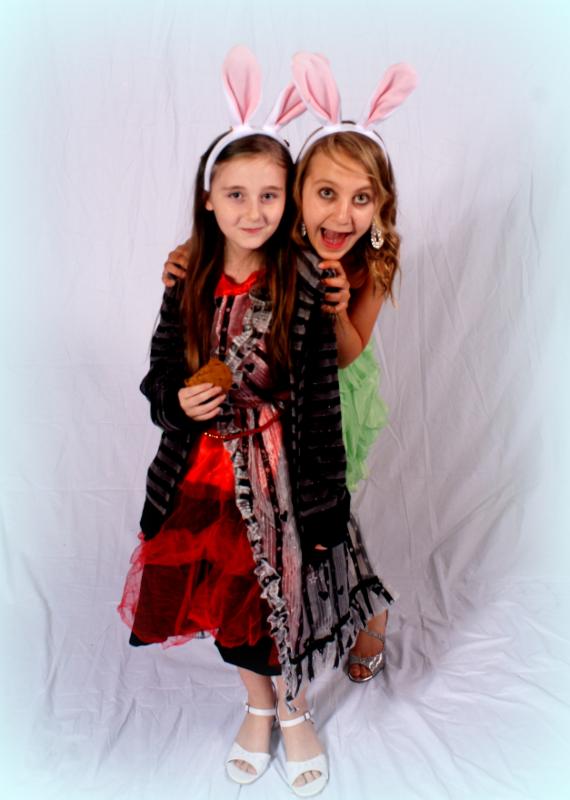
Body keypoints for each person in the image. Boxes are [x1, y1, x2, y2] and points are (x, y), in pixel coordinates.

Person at [119, 47, 394, 798]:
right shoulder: (188, 279)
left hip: (283, 472)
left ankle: (296, 707)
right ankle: (258, 705)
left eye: (269, 195)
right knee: (230, 599)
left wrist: (324, 499)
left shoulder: (302, 277)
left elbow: (320, 395)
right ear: (208, 200)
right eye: (235, 195)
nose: (253, 211)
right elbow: (159, 373)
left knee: (289, 596)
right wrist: (176, 401)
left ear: (288, 200)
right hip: (204, 477)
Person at [162, 52, 417, 685]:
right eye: (326, 193)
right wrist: (189, 252)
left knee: (327, 518)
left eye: (362, 200)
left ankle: (368, 610)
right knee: (280, 518)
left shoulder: (371, 261)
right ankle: (280, 612)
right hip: (275, 399)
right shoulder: (282, 239)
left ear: (380, 206)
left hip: (336, 396)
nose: (342, 216)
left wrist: (336, 306)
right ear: (298, 191)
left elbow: (350, 351)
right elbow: (232, 243)